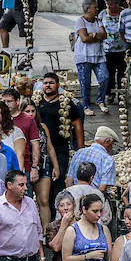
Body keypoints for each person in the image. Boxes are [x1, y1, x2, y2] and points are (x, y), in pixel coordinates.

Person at [36, 71, 84, 210]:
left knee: (59, 178)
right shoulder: (37, 102)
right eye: (45, 83)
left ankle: (61, 210)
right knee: (44, 179)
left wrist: (80, 147)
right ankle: (48, 210)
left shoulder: (67, 103)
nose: (48, 86)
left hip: (60, 147)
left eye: (51, 83)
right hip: (42, 148)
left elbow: (77, 125)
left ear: (58, 85)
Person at [62, 192, 113, 261]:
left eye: (100, 211)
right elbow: (66, 259)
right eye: (95, 211)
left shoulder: (104, 229)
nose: (99, 215)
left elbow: (110, 260)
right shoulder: (73, 230)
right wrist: (88, 256)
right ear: (84, 210)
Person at [74, 0, 110, 116]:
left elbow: (104, 35)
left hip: (98, 55)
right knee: (85, 82)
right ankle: (86, 105)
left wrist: (92, 35)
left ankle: (100, 100)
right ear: (88, 9)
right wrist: (96, 35)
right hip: (84, 56)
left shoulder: (98, 20)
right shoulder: (80, 21)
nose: (97, 9)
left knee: (104, 77)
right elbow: (84, 39)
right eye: (95, 7)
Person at [45, 191, 77, 261]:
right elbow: (55, 247)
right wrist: (64, 225)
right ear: (58, 209)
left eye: (69, 204)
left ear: (74, 206)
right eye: (61, 205)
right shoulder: (52, 226)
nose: (66, 208)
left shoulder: (82, 224)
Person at [66, 162, 112, 227]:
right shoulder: (98, 193)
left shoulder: (67, 191)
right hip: (92, 231)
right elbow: (106, 217)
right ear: (91, 178)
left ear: (77, 176)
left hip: (69, 229)